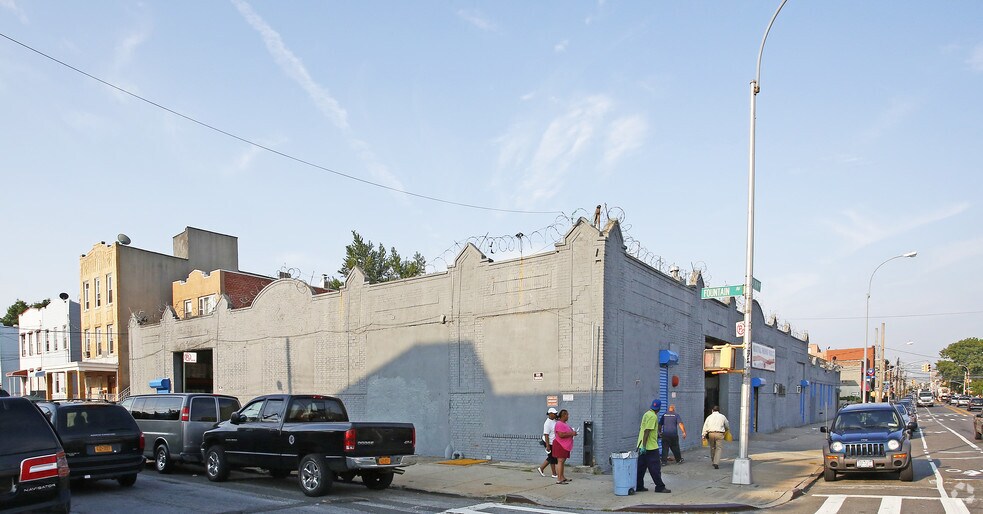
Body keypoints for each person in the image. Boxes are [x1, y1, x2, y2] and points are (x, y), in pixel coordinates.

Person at [636, 399, 670, 493]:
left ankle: (638, 486)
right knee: (655, 468)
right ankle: (660, 487)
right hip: (650, 447)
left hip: (641, 445)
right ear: (659, 408)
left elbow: (645, 429)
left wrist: (657, 435)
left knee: (641, 468)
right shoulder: (653, 416)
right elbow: (647, 431)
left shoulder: (646, 414)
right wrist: (644, 446)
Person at [552, 409, 578, 484]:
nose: (568, 416)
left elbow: (567, 433)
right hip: (560, 444)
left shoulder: (565, 424)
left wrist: (573, 433)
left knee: (562, 461)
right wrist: (571, 433)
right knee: (560, 461)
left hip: (565, 445)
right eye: (567, 415)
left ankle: (562, 477)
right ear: (564, 415)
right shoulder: (559, 424)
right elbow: (561, 435)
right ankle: (559, 479)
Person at [536, 407, 558, 478]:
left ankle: (541, 468)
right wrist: (547, 446)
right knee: (552, 457)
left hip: (553, 442)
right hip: (548, 442)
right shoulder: (547, 423)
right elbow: (546, 435)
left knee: (552, 457)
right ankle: (553, 473)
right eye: (554, 414)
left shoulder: (554, 420)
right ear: (550, 414)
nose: (555, 415)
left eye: (556, 413)